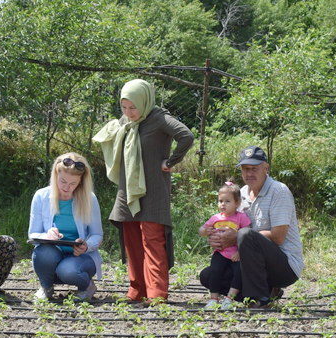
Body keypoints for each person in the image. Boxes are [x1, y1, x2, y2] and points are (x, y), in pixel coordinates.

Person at [93, 78, 194, 302]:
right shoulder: (127, 121)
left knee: (152, 241)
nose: (129, 112)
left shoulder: (159, 119)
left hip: (154, 191)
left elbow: (186, 136)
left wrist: (170, 161)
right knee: (132, 242)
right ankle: (137, 290)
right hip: (127, 191)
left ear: (144, 101)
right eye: (124, 107)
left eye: (133, 107)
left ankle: (157, 293)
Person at [200, 146, 304, 307]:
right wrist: (218, 238)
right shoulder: (240, 194)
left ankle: (260, 298)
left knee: (245, 234)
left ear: (266, 168)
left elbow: (278, 236)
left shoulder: (279, 191)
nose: (249, 173)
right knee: (208, 275)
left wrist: (237, 236)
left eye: (254, 168)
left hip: (284, 266)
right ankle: (266, 291)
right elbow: (230, 225)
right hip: (251, 265)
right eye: (245, 169)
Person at [28, 153, 104, 301]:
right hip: (52, 254)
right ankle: (46, 287)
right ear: (55, 175)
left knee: (67, 270)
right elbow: (33, 234)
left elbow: (97, 235)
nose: (66, 187)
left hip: (80, 257)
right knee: (43, 253)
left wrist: (86, 245)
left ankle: (86, 286)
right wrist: (47, 235)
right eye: (62, 181)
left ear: (81, 182)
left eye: (73, 184)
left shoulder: (90, 199)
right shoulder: (41, 196)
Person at [198, 180, 251, 310]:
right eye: (221, 201)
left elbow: (248, 235)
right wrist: (206, 231)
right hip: (220, 252)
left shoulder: (241, 217)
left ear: (237, 203)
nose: (223, 204)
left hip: (236, 253)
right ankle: (213, 299)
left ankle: (229, 299)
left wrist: (240, 252)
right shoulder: (215, 218)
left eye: (228, 201)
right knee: (215, 271)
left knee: (239, 272)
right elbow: (201, 231)